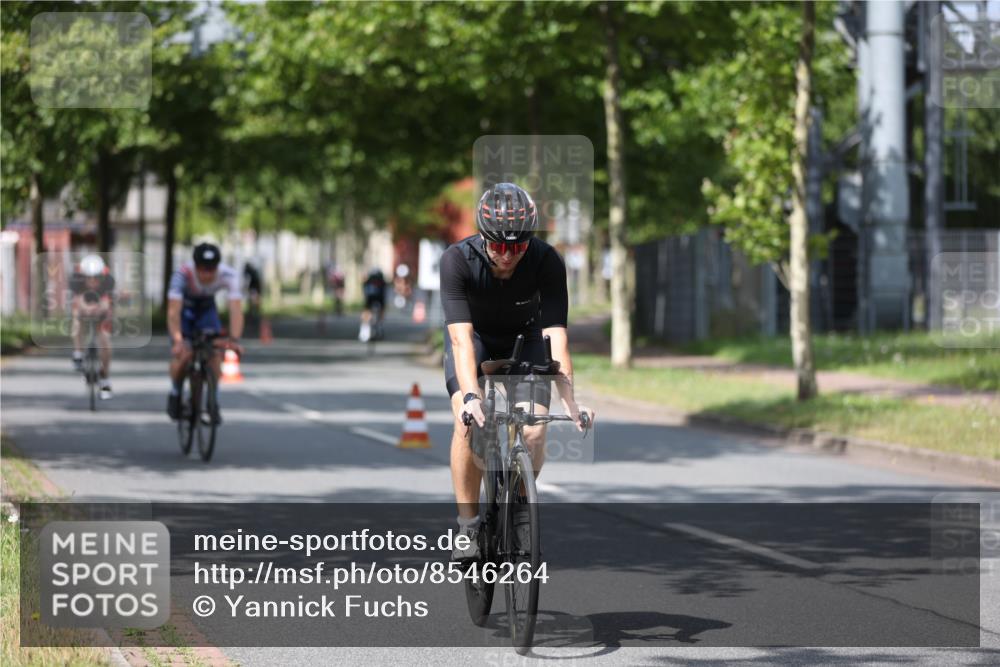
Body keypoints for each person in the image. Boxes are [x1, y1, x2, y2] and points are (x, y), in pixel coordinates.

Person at [441, 182, 594, 563]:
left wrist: (571, 401)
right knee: (468, 423)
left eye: (518, 247)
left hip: (524, 340)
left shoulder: (547, 261)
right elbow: (460, 341)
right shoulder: (457, 261)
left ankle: (520, 504)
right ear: (482, 236)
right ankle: (468, 526)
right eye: (499, 246)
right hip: (473, 340)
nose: (508, 255)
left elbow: (556, 337)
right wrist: (472, 397)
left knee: (535, 428)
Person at [166, 243, 244, 422]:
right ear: (195, 266)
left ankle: (212, 401)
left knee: (214, 354)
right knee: (184, 353)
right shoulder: (182, 275)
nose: (208, 274)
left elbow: (236, 310)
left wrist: (234, 339)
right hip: (185, 311)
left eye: (212, 269)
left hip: (206, 310)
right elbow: (173, 312)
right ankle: (175, 392)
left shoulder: (229, 275)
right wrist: (178, 340)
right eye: (203, 269)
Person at [70, 254, 115, 400]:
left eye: (96, 278)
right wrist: (86, 309)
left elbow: (107, 304)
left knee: (106, 340)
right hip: (83, 304)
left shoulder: (108, 280)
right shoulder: (76, 278)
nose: (93, 281)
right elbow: (77, 300)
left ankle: (105, 378)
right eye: (89, 278)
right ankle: (78, 353)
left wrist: (98, 310)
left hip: (101, 307)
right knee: (76, 319)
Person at [359, 267, 386, 342]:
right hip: (371, 299)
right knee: (367, 311)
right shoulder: (368, 283)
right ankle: (365, 328)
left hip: (377, 299)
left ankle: (378, 326)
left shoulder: (382, 284)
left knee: (378, 310)